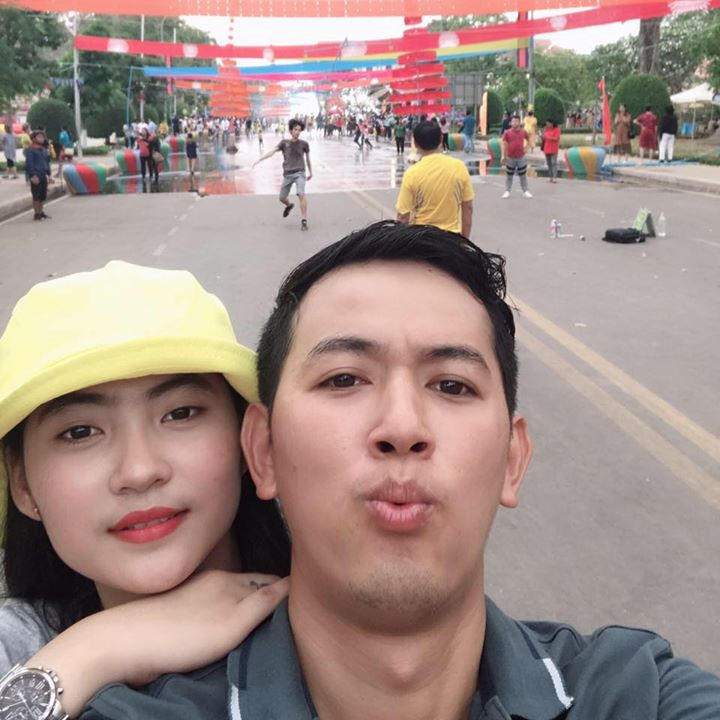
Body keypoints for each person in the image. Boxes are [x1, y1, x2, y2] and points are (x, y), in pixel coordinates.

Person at [78, 221, 720, 720]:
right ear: (263, 451)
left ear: (512, 460)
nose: (403, 426)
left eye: (452, 384)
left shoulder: (635, 693)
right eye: (344, 379)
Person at [0, 261, 291, 718]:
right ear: (22, 483)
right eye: (79, 432)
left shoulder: (339, 607)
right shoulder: (15, 645)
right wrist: (95, 649)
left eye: (180, 413)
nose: (139, 471)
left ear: (247, 441)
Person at [395, 121, 474, 238]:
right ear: (441, 139)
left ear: (415, 143)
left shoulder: (412, 174)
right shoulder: (459, 167)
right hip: (451, 238)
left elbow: (403, 216)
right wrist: (464, 240)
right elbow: (468, 208)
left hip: (422, 239)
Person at [252, 118, 312, 231]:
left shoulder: (304, 144)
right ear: (291, 131)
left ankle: (304, 221)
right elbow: (272, 151)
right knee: (282, 198)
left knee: (301, 194)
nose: (297, 132)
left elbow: (308, 159)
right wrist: (260, 159)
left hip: (300, 173)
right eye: (295, 130)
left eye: (299, 130)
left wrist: (310, 172)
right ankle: (289, 205)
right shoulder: (284, 143)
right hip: (287, 174)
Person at [500, 114, 532, 199]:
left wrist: (527, 147)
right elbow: (503, 144)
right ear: (511, 122)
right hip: (510, 157)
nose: (514, 123)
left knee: (523, 175)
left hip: (521, 157)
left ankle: (525, 191)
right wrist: (503, 156)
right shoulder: (507, 132)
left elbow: (529, 139)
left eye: (516, 121)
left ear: (519, 122)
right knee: (509, 175)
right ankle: (507, 191)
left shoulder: (523, 132)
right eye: (513, 121)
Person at [24, 129, 51, 220]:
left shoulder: (43, 149)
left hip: (43, 175)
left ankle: (41, 211)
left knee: (43, 195)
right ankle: (37, 213)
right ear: (34, 138)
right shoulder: (31, 150)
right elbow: (29, 164)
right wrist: (32, 175)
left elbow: (47, 162)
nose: (41, 138)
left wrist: (49, 174)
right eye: (39, 137)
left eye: (42, 137)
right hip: (36, 175)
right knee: (36, 196)